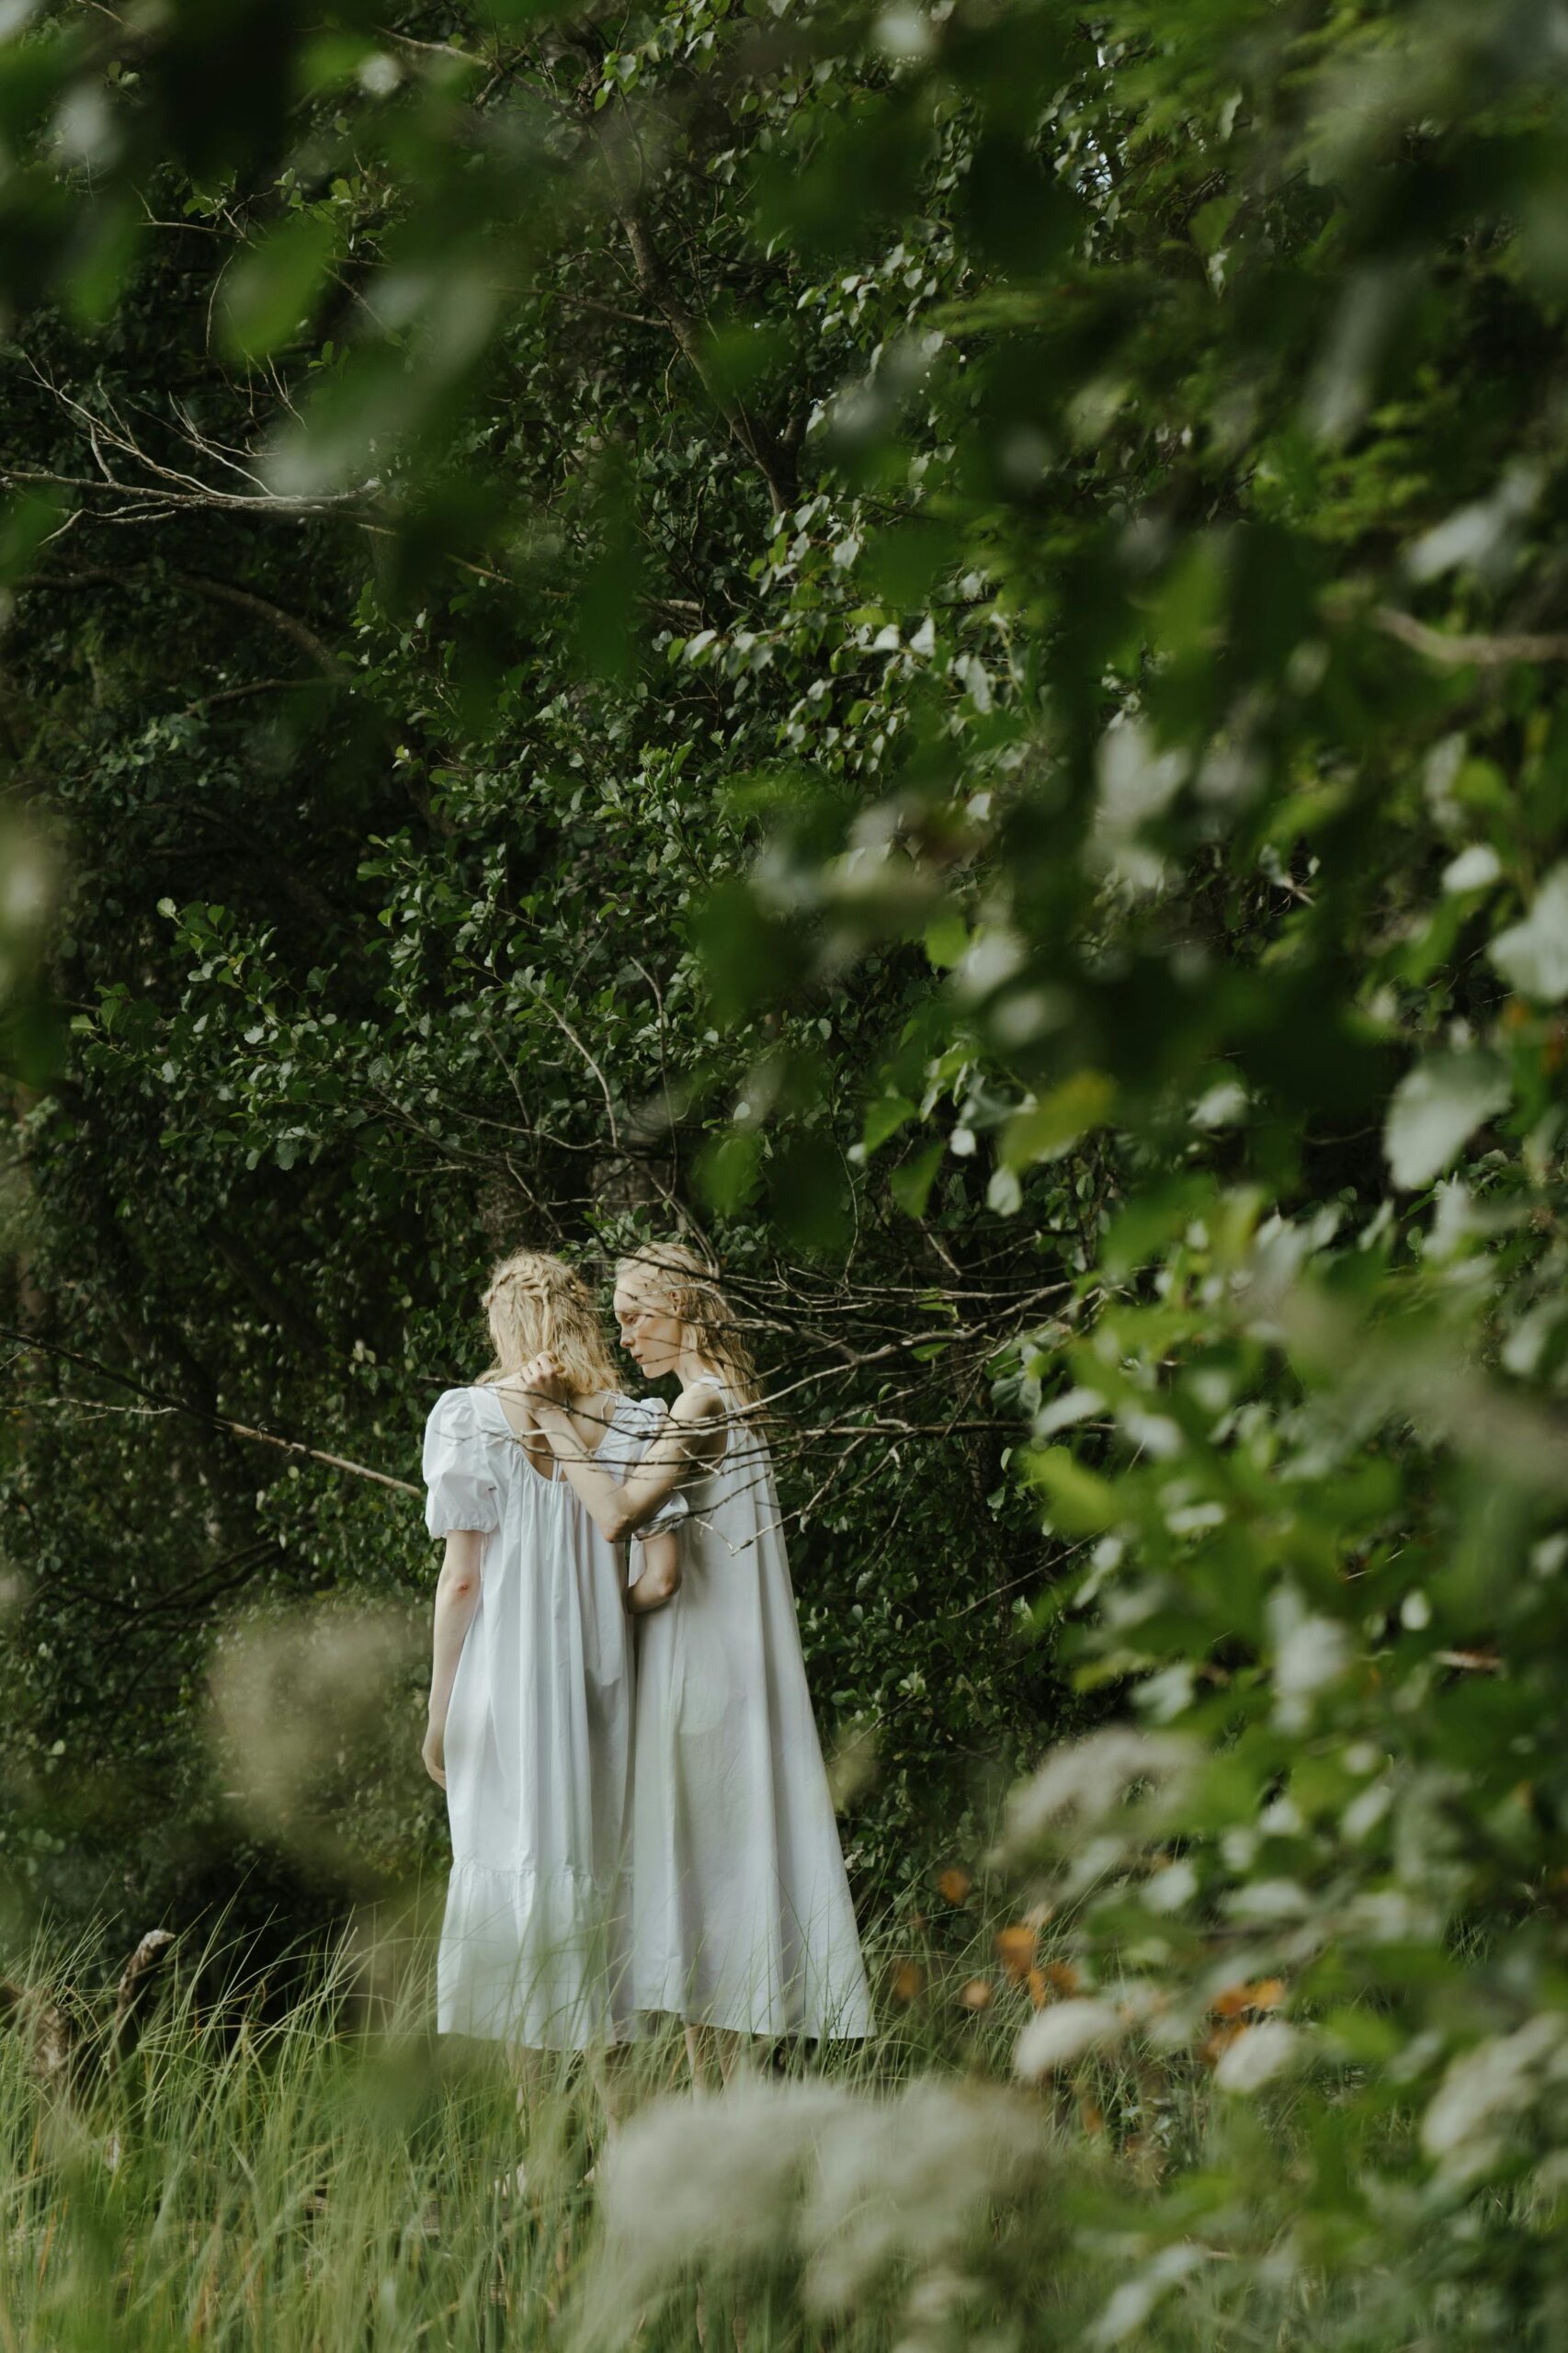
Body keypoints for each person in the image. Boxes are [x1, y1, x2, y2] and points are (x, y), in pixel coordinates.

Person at [523, 1242, 872, 2075]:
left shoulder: (703, 1406)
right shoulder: (726, 1402)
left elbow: (616, 1517)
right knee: (705, 1886)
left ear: (684, 1306)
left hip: (704, 1682)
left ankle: (730, 2103)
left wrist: (546, 1418)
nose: (629, 1334)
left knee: (703, 1883)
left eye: (639, 1314)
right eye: (619, 1319)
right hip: (718, 1674)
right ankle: (724, 2102)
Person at [421, 1247, 684, 2065]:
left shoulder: (471, 1417)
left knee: (512, 1872)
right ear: (579, 1318)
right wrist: (600, 1615)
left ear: (506, 1325)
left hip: (502, 1685)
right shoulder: (636, 1423)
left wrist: (438, 1714)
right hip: (601, 1682)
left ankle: (538, 2152)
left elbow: (461, 1583)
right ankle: (617, 2133)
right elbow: (662, 1582)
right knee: (597, 1867)